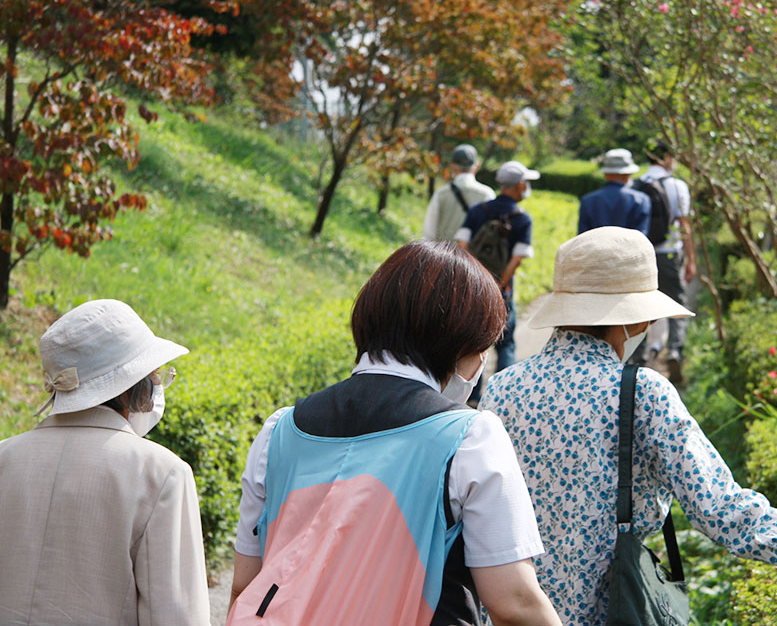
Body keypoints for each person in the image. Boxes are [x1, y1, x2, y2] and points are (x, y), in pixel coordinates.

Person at [481, 227, 777, 625]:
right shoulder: (643, 394)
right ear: (637, 317)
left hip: (506, 613)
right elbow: (726, 515)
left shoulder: (500, 390)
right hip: (609, 611)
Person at [227, 242, 560, 626]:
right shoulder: (470, 437)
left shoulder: (281, 429)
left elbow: (245, 585)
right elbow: (515, 602)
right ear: (461, 343)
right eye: (482, 347)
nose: (483, 361)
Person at [0, 299, 209, 625]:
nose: (157, 385)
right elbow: (176, 615)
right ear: (134, 384)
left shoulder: (5, 457)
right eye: (155, 375)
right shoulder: (162, 474)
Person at [456, 160, 538, 396]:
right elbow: (518, 257)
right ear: (520, 185)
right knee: (506, 343)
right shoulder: (522, 219)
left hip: (473, 287)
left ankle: (470, 396)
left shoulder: (477, 211)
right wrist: (499, 283)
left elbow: (462, 246)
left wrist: (475, 279)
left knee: (474, 341)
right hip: (503, 290)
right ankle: (505, 395)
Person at [633, 142, 698, 383]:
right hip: (670, 254)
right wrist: (691, 259)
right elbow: (684, 225)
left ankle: (637, 359)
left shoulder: (637, 184)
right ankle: (675, 351)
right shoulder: (677, 186)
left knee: (639, 307)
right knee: (677, 305)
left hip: (642, 254)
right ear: (668, 158)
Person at [423, 143, 496, 242]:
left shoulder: (441, 193)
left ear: (452, 166)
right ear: (476, 166)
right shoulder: (487, 194)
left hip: (443, 255)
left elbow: (429, 232)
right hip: (471, 256)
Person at [577, 148, 651, 234]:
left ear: (605, 174)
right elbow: (642, 238)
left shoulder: (588, 200)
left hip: (597, 247)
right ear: (627, 174)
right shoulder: (640, 200)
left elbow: (582, 238)